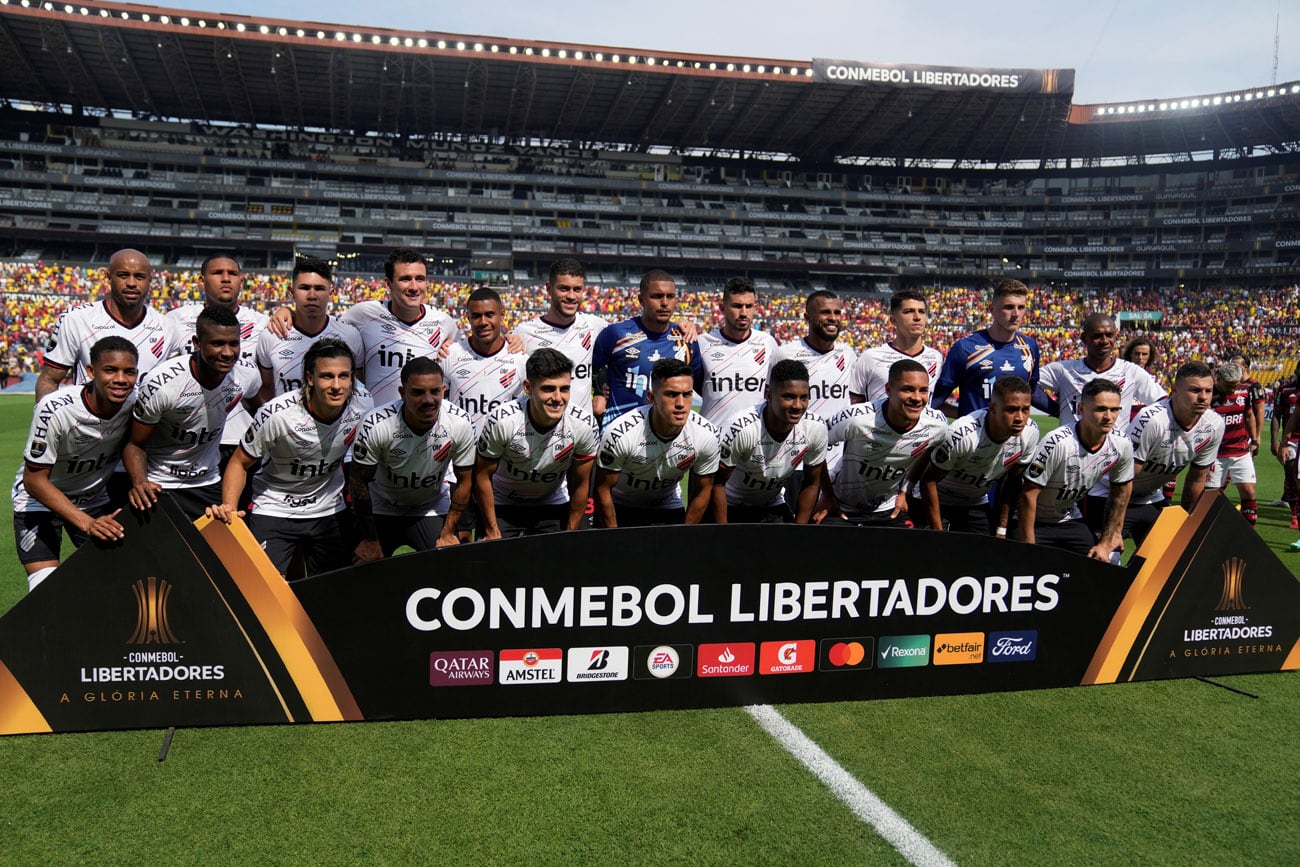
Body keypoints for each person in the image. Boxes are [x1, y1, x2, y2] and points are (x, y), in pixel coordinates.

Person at [207, 338, 373, 577]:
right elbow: (239, 462)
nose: (337, 385)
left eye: (344, 376)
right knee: (264, 591)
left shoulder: (363, 404)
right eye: (327, 376)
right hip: (274, 508)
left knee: (333, 592)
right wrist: (230, 510)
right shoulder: (277, 415)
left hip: (327, 511)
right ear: (310, 379)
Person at [12, 337, 139, 591]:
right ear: (91, 372)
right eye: (110, 370)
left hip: (93, 499)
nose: (121, 379)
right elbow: (34, 481)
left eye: (129, 372)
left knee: (119, 583)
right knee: (46, 590)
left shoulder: (134, 403)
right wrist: (88, 523)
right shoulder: (54, 410)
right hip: (39, 501)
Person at [121, 306, 262, 519]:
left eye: (234, 344)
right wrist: (140, 483)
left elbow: (261, 412)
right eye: (217, 344)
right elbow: (134, 444)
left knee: (212, 553)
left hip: (209, 483)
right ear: (197, 343)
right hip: (160, 485)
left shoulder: (247, 374)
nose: (227, 352)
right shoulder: (162, 384)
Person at [349, 357, 476, 559]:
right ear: (402, 393)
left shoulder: (460, 423)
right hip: (382, 506)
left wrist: (448, 532)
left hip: (430, 506)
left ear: (443, 389)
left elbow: (465, 480)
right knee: (362, 568)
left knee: (449, 564)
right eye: (417, 392)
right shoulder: (376, 423)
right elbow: (358, 482)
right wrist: (370, 540)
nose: (428, 400)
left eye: (435, 391)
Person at [474, 348, 600, 538]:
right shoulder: (502, 420)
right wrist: (492, 530)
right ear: (528, 387)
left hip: (551, 501)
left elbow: (581, 483)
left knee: (566, 563)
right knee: (491, 564)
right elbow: (482, 475)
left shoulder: (584, 424)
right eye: (548, 389)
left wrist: (570, 533)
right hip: (502, 503)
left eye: (564, 389)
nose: (558, 398)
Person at [1101, 361, 1224, 547]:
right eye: (1195, 390)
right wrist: (1115, 530)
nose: (1203, 397)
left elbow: (1197, 479)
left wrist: (1187, 525)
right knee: (1107, 555)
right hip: (1107, 492)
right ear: (1174, 390)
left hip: (1149, 496)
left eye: (1208, 391)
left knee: (1171, 555)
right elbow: (1124, 478)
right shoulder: (1153, 419)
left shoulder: (1214, 425)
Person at [441, 288, 529, 541]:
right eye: (476, 316)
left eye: (490, 314)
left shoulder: (519, 360)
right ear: (467, 317)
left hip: (499, 470)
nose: (483, 322)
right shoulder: (451, 355)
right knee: (462, 540)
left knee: (495, 541)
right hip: (460, 466)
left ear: (503, 315)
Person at [36, 248, 178, 402]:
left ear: (150, 280)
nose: (131, 283)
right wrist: (46, 418)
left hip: (142, 424)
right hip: (88, 424)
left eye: (139, 277)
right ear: (108, 277)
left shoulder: (167, 327)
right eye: (123, 275)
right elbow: (49, 379)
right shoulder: (77, 319)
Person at [822, 359, 948, 527]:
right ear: (889, 390)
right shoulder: (857, 419)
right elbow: (816, 443)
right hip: (843, 506)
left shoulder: (937, 425)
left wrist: (904, 490)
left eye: (923, 390)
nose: (917, 398)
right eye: (908, 389)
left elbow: (929, 449)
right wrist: (827, 494)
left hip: (888, 509)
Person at [594, 358, 720, 527]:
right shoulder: (620, 433)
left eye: (687, 394)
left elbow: (703, 491)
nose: (681, 404)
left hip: (667, 504)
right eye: (671, 394)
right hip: (621, 505)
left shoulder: (707, 434)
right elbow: (602, 489)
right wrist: (615, 538)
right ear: (652, 397)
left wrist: (683, 534)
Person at [165, 253, 269, 455]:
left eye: (232, 273)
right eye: (217, 273)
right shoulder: (175, 320)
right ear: (202, 281)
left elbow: (266, 387)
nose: (225, 278)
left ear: (241, 280)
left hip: (241, 441)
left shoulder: (263, 324)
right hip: (186, 438)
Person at [1017, 378, 1133, 560]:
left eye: (1114, 410)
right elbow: (1028, 494)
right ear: (1081, 409)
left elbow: (1121, 491)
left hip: (1068, 519)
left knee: (1104, 561)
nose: (1109, 417)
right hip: (1033, 522)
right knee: (1026, 568)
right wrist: (1029, 546)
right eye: (1100, 409)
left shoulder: (1122, 444)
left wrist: (1109, 538)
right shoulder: (1057, 442)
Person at [913, 375, 1039, 536]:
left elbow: (1013, 483)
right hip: (937, 498)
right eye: (1011, 410)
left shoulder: (1030, 433)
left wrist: (1001, 528)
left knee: (982, 556)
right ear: (992, 408)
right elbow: (928, 481)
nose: (1020, 418)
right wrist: (939, 534)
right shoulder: (963, 434)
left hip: (975, 502)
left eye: (1025, 410)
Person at [334, 248, 462, 406]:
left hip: (421, 426)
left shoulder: (444, 322)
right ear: (389, 284)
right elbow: (328, 330)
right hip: (375, 424)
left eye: (420, 279)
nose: (414, 286)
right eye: (406, 279)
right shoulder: (364, 314)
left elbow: (465, 354)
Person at [712, 359, 827, 524]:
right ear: (768, 394)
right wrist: (723, 533)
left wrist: (799, 532)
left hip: (772, 505)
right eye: (789, 397)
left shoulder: (815, 428)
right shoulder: (742, 427)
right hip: (730, 506)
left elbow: (811, 483)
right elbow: (717, 483)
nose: (797, 405)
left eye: (804, 398)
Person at [591, 270, 701, 427]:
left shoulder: (687, 340)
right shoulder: (616, 334)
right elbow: (586, 370)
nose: (664, 303)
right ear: (641, 300)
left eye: (670, 297)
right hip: (620, 436)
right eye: (657, 296)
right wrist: (600, 391)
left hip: (668, 439)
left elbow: (702, 386)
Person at [255, 257, 364, 401]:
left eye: (319, 288)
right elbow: (266, 388)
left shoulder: (351, 336)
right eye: (304, 288)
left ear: (331, 293)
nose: (312, 296)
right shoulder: (271, 336)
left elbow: (357, 388)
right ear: (291, 292)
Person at [512, 259, 608, 420]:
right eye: (564, 289)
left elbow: (624, 350)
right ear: (549, 288)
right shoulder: (524, 333)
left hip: (582, 433)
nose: (571, 296)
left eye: (577, 289)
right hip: (539, 433)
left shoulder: (595, 326)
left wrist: (601, 391)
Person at [931, 279, 1040, 418]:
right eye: (1008, 307)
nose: (1016, 314)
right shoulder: (965, 348)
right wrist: (968, 417)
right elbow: (935, 399)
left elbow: (1033, 391)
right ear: (992, 310)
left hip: (1015, 438)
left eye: (1021, 307)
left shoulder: (1030, 346)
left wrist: (1060, 410)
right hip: (976, 438)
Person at [1036, 313, 1166, 428]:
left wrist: (1139, 430)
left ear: (1116, 337)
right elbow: (1026, 382)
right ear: (1083, 338)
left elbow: (1162, 402)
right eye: (1097, 336)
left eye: (1109, 335)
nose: (1104, 341)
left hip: (1115, 453)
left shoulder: (1131, 372)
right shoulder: (1063, 370)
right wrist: (1054, 409)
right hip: (1071, 451)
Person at [696, 276, 777, 429]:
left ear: (755, 307)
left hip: (754, 440)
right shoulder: (702, 343)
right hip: (713, 439)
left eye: (749, 306)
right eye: (737, 306)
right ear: (722, 307)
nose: (743, 313)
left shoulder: (768, 343)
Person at [849, 288, 943, 404]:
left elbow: (938, 402)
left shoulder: (936, 358)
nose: (917, 317)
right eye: (909, 311)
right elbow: (854, 404)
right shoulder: (870, 358)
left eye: (922, 311)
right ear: (893, 320)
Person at [1206, 361, 1260, 527]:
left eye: (1235, 385)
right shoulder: (1208, 394)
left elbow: (1249, 415)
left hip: (1240, 450)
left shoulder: (1244, 391)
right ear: (1219, 379)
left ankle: (1248, 534)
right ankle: (1207, 530)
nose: (1232, 389)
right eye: (1229, 385)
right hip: (1216, 454)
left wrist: (1255, 439)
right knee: (1210, 497)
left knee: (1249, 492)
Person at [1271, 367, 1300, 527]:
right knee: (1291, 474)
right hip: (1291, 440)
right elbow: (1276, 415)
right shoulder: (1285, 390)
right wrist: (1275, 441)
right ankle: (1294, 515)